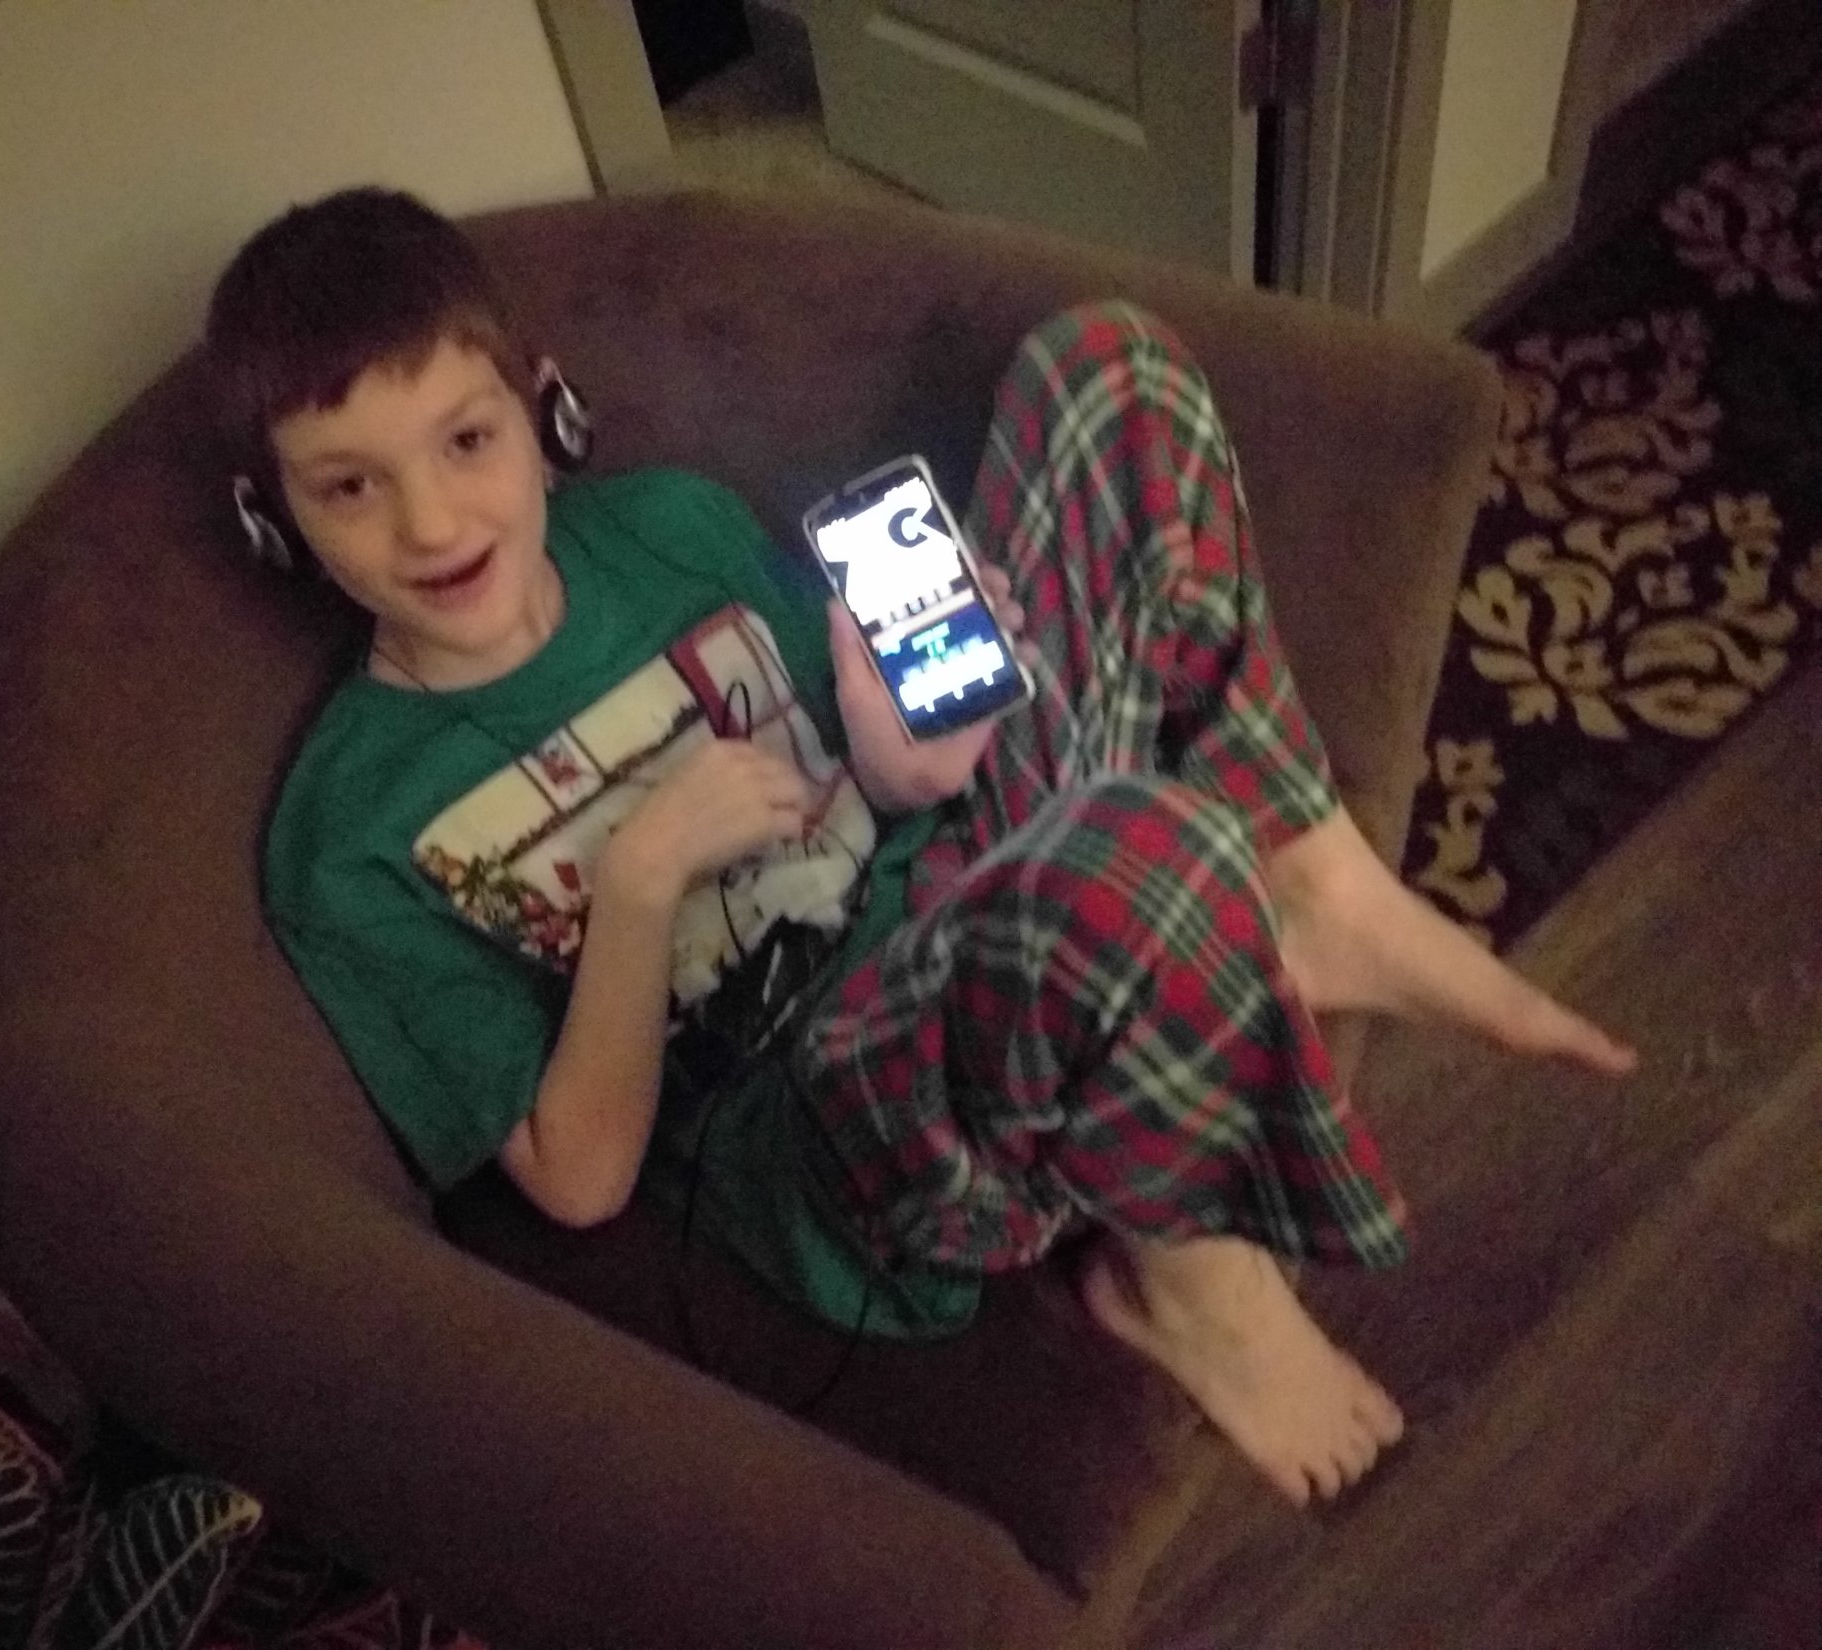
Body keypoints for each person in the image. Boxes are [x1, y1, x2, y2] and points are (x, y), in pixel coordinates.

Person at [211, 187, 1638, 1510]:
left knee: (1109, 372)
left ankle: (1312, 878)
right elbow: (579, 1182)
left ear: (542, 410)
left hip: (955, 866)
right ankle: (1191, 1284)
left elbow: (868, 775)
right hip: (826, 1108)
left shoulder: (668, 528)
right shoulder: (348, 837)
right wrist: (641, 877)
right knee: (1136, 858)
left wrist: (901, 762)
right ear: (272, 519)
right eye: (349, 486)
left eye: (466, 441)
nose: (432, 522)